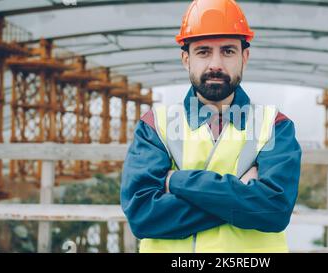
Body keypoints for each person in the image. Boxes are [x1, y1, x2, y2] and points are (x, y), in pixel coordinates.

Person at [120, 0, 302, 253]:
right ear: (186, 59)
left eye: (228, 51)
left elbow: (274, 211)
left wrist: (176, 182)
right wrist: (243, 195)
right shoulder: (155, 126)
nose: (216, 64)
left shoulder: (274, 126)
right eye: (203, 51)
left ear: (244, 57)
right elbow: (142, 216)